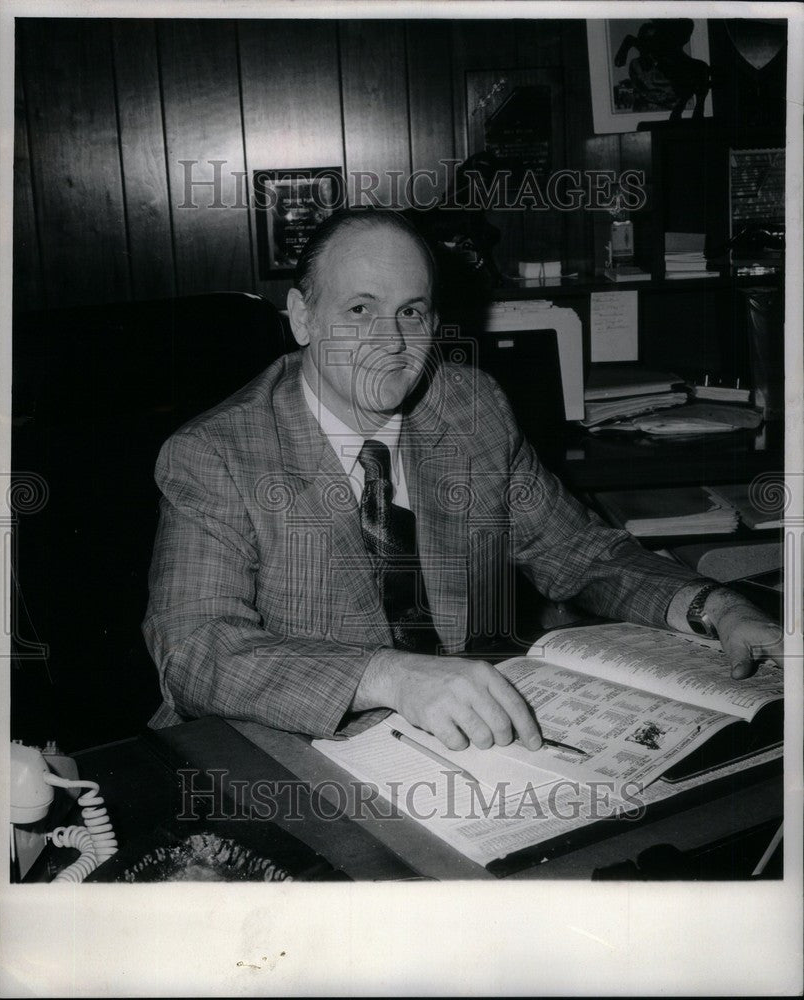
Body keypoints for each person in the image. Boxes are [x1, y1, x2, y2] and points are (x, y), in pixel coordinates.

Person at [143, 208, 782, 752]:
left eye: (411, 312)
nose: (390, 342)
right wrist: (387, 676)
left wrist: (717, 608)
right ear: (303, 318)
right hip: (276, 753)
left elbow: (578, 552)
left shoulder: (468, 410)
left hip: (448, 743)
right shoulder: (216, 454)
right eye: (360, 309)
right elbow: (193, 651)